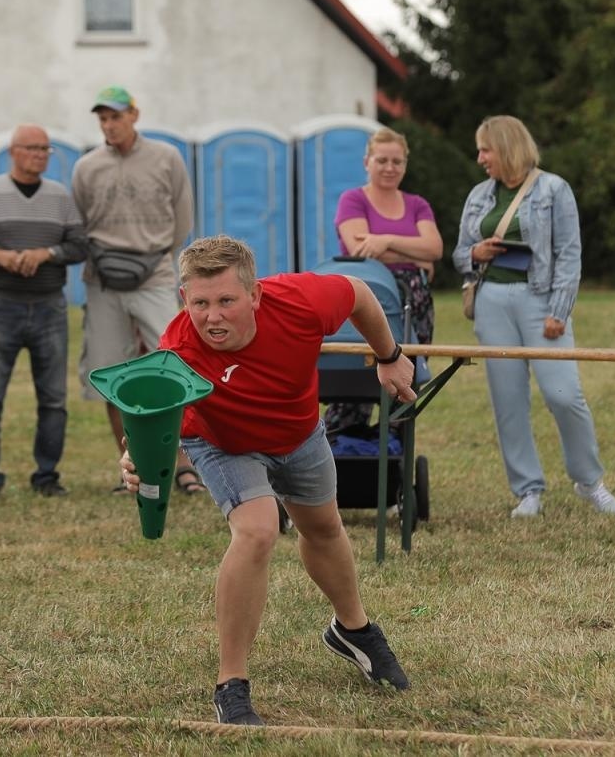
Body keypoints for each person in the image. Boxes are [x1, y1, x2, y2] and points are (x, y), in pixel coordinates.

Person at [118, 236, 413, 726]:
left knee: (323, 529)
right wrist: (134, 460)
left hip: (298, 431)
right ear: (183, 301)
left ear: (254, 295)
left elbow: (360, 293)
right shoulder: (179, 350)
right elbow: (153, 416)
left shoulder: (299, 302)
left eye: (227, 301)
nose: (213, 316)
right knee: (257, 530)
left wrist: (389, 355)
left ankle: (353, 629)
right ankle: (230, 685)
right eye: (200, 303)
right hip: (222, 442)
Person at [451, 116, 615, 519]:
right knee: (508, 401)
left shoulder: (553, 189)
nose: (480, 159)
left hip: (541, 300)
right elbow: (459, 252)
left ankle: (589, 481)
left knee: (564, 395)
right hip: (491, 299)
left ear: (507, 147)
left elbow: (570, 253)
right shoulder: (479, 194)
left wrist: (558, 311)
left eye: (486, 149)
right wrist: (476, 253)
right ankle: (527, 490)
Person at [71, 86, 195, 492]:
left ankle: (182, 464)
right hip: (104, 281)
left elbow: (182, 217)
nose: (109, 125)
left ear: (134, 116)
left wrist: (154, 256)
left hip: (155, 274)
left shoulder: (166, 158)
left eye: (116, 117)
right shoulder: (87, 167)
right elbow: (81, 221)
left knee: (174, 365)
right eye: (103, 118)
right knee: (108, 371)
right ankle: (131, 469)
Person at [0, 124, 87, 497]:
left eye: (45, 149)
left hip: (49, 306)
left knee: (53, 398)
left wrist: (46, 254)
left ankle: (47, 476)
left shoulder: (60, 198)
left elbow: (79, 246)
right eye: (32, 148)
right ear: (13, 152)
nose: (39, 154)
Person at [333, 127, 441, 427]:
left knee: (405, 386)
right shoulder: (353, 200)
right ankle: (344, 451)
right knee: (353, 387)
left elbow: (434, 248)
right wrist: (415, 255)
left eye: (397, 161)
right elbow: (360, 250)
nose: (390, 168)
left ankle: (395, 462)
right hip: (370, 299)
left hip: (415, 304)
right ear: (367, 161)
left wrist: (386, 241)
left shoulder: (417, 204)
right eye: (382, 160)